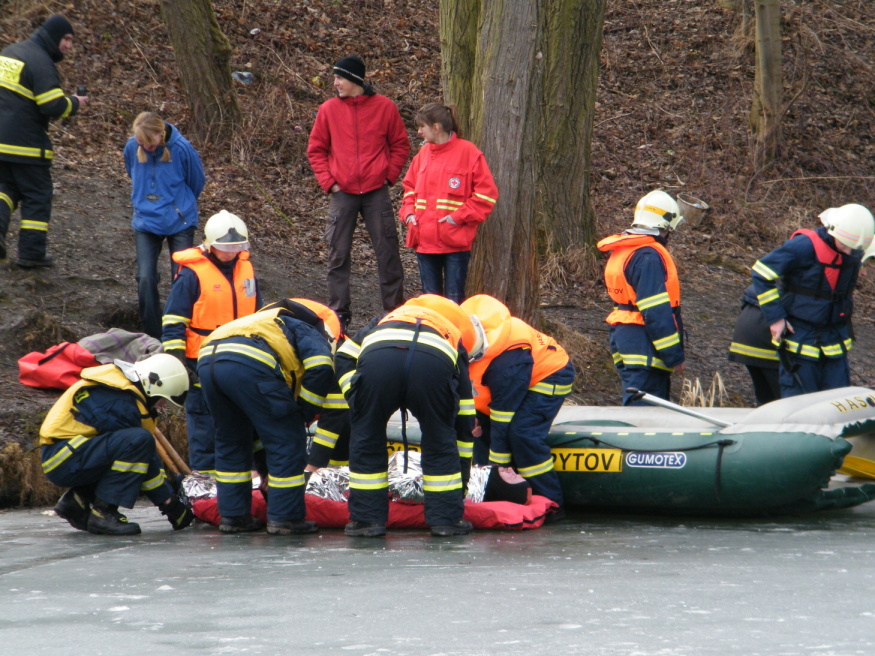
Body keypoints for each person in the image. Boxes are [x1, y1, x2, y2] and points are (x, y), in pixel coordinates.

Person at [342, 295, 477, 537]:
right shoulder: (451, 333)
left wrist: (354, 396)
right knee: (440, 440)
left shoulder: (384, 319)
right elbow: (464, 412)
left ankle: (367, 522)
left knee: (366, 437)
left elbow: (343, 355)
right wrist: (461, 485)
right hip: (431, 366)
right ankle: (445, 522)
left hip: (379, 361)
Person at [196, 305, 335, 535]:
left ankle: (233, 517)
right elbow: (321, 367)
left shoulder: (256, 323)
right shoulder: (303, 327)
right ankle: (285, 518)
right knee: (286, 440)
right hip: (250, 363)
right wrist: (304, 412)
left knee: (231, 441)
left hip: (208, 363)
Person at [306, 55, 409, 332]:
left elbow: (400, 145)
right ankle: (339, 315)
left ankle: (395, 312)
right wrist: (330, 183)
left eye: (339, 78)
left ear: (354, 80)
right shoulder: (328, 110)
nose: (335, 83)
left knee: (388, 252)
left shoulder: (385, 108)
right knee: (337, 254)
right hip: (342, 193)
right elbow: (316, 150)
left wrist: (388, 176)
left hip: (376, 192)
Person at [39, 353, 193, 535]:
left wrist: (169, 491)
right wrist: (169, 503)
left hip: (71, 454)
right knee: (137, 441)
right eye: (161, 399)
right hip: (63, 459)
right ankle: (104, 514)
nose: (163, 406)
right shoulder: (119, 403)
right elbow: (141, 456)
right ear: (152, 385)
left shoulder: (123, 392)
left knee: (135, 443)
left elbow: (138, 453)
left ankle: (77, 502)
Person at [161, 210, 260, 475]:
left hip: (242, 358)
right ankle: (204, 477)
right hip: (201, 360)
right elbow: (173, 321)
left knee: (244, 415)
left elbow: (258, 314)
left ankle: (244, 474)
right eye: (225, 248)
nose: (231, 253)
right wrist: (179, 362)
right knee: (203, 420)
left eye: (236, 247)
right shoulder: (191, 275)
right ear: (209, 244)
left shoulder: (246, 269)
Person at [460, 294, 574, 518]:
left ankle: (551, 502)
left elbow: (502, 419)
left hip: (548, 374)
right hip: (502, 384)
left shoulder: (509, 360)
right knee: (480, 434)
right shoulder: (457, 342)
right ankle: (489, 493)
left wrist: (498, 467)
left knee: (522, 434)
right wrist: (469, 414)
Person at [750, 203, 874, 397]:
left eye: (854, 250)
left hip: (835, 341)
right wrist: (776, 318)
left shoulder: (856, 244)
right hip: (800, 338)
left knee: (838, 403)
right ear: (833, 231)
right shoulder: (804, 246)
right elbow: (761, 273)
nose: (849, 253)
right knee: (800, 405)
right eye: (844, 245)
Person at [0, 14, 88, 267]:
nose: (69, 46)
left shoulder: (9, 52)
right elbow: (51, 105)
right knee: (38, 195)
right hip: (26, 146)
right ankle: (31, 254)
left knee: (6, 189)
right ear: (53, 36)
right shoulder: (40, 61)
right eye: (67, 39)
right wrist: (74, 103)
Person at [400, 103, 498, 303]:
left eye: (422, 127)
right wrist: (409, 215)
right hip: (424, 241)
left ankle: (455, 335)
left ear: (436, 127)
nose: (418, 132)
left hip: (455, 243)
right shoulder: (422, 156)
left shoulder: (469, 153)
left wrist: (457, 218)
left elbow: (486, 195)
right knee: (431, 301)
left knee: (454, 302)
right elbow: (408, 189)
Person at [596, 190, 685, 405]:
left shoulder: (624, 249)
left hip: (625, 336)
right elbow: (655, 310)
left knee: (636, 401)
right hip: (645, 341)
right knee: (646, 416)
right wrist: (674, 355)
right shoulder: (648, 255)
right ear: (666, 225)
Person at [124, 111, 205, 338]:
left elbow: (196, 182)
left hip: (180, 221)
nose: (145, 147)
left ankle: (176, 333)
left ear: (161, 135)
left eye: (149, 143)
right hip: (146, 221)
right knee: (145, 277)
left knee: (180, 279)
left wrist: (178, 205)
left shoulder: (182, 149)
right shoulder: (131, 147)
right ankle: (152, 334)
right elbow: (132, 172)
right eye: (141, 143)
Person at [727, 285, 780, 406]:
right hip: (767, 337)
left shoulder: (770, 276)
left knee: (766, 400)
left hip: (747, 332)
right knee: (787, 401)